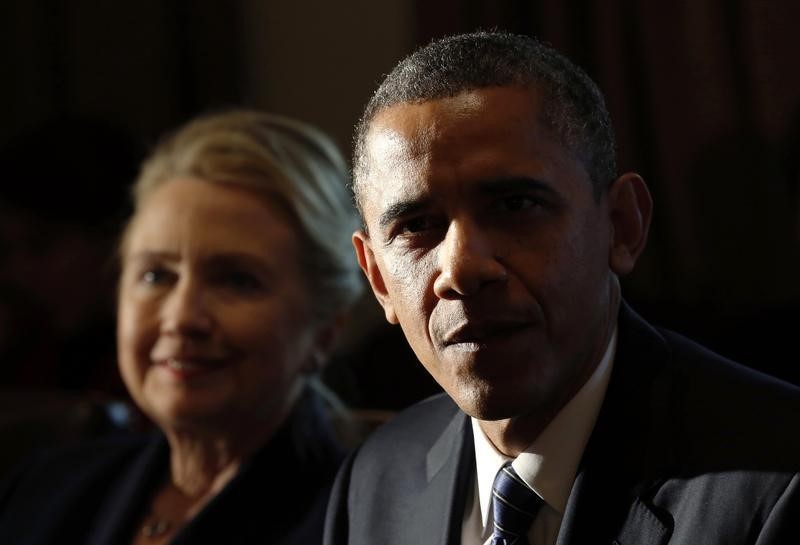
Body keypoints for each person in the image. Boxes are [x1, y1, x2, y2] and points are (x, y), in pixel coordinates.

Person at [324, 31, 800, 545]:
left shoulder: (781, 478)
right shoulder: (375, 479)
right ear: (377, 279)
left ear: (622, 225)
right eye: (416, 226)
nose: (461, 269)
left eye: (514, 206)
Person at [0, 110, 363, 544]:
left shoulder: (356, 524)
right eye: (156, 275)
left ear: (325, 328)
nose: (181, 318)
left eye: (236, 280)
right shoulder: (45, 490)